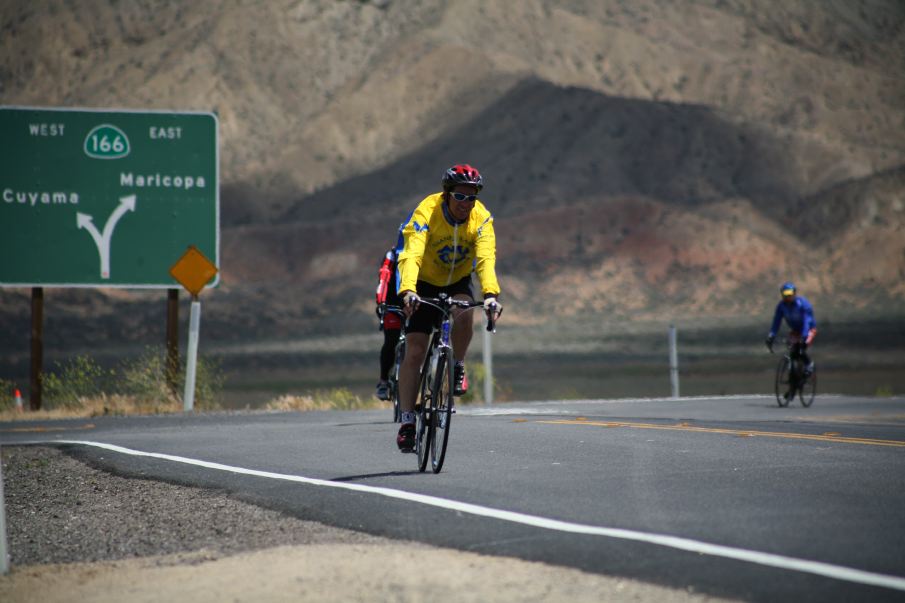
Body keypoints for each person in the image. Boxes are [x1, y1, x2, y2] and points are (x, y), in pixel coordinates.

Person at [394, 164, 503, 451]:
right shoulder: (426, 211)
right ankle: (407, 421)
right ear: (446, 195)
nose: (466, 203)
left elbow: (485, 258)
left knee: (465, 310)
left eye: (472, 198)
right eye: (460, 196)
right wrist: (408, 290)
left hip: (457, 280)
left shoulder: (481, 218)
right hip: (423, 283)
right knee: (415, 350)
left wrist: (491, 293)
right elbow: (412, 253)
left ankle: (456, 366)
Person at [765, 281, 816, 375]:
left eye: (790, 294)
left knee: (800, 349)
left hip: (809, 329)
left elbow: (807, 321)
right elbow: (776, 322)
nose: (788, 298)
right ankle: (793, 382)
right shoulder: (781, 306)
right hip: (795, 331)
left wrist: (804, 337)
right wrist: (771, 335)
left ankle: (809, 365)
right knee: (792, 351)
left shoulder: (803, 304)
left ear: (794, 293)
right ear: (782, 295)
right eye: (786, 295)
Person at [374, 245, 403, 401]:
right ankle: (383, 381)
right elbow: (384, 278)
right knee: (391, 340)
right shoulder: (392, 255)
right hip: (391, 304)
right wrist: (381, 302)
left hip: (414, 303)